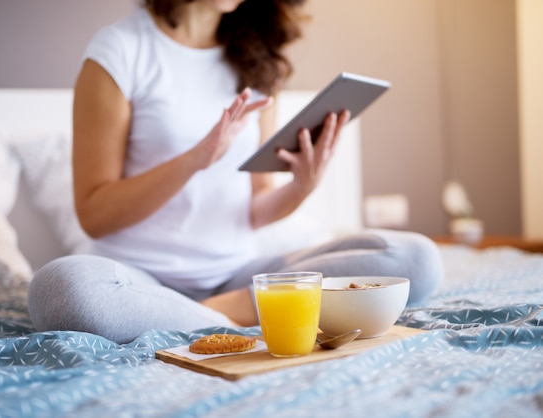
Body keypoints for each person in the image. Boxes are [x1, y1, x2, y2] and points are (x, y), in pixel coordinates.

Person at [27, 0, 444, 344]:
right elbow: (94, 214)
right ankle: (250, 313)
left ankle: (223, 313)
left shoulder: (256, 58)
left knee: (416, 259)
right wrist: (196, 159)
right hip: (139, 284)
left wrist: (302, 186)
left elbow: (255, 207)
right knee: (62, 290)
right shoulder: (120, 50)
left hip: (239, 279)